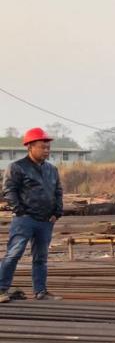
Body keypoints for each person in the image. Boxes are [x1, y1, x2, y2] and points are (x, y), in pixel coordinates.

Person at [0, 128, 63, 302]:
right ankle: (1, 290)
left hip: (45, 221)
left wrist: (57, 213)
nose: (47, 150)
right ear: (30, 147)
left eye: (48, 147)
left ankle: (40, 292)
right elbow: (9, 190)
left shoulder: (52, 169)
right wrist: (20, 211)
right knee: (14, 254)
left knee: (41, 258)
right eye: (43, 147)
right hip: (24, 220)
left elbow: (58, 191)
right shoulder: (17, 167)